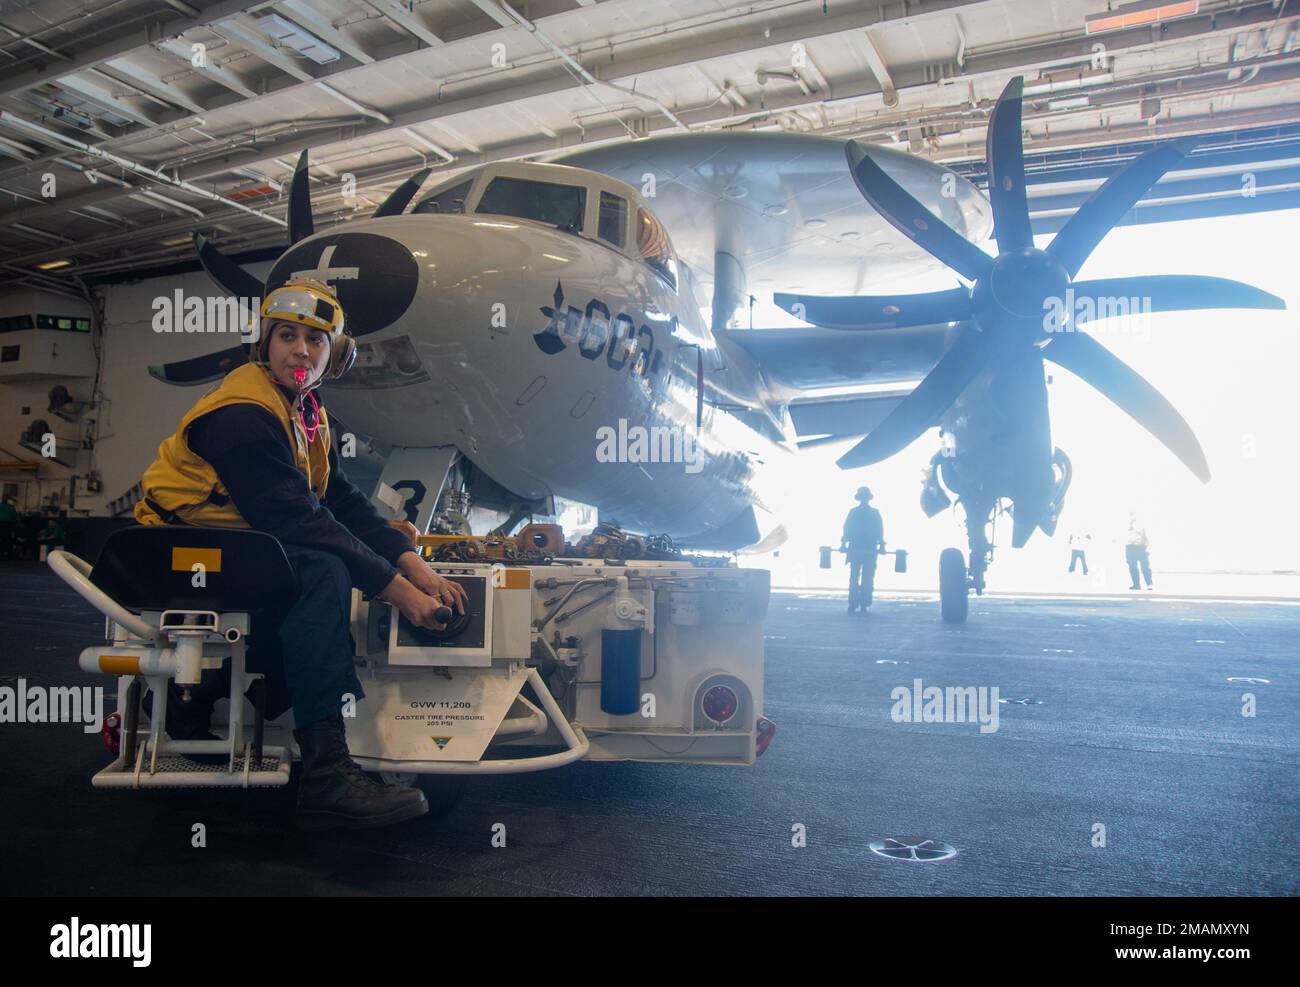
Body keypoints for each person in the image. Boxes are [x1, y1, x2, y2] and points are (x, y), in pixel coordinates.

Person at [135, 277, 468, 830]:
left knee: (319, 569)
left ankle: (192, 705)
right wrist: (401, 594)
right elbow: (299, 521)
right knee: (319, 569)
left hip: (231, 546)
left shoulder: (304, 413)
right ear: (264, 343)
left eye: (316, 342)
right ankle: (327, 777)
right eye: (287, 336)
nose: (301, 351)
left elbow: (341, 501)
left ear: (331, 356)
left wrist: (412, 562)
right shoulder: (243, 413)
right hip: (174, 551)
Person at [840, 486, 885, 613]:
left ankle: (854, 603)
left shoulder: (853, 512)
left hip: (856, 549)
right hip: (869, 550)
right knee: (867, 577)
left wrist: (843, 544)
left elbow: (846, 530)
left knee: (855, 577)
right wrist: (881, 545)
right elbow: (879, 531)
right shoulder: (874, 513)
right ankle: (863, 604)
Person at [1125, 513, 1153, 590]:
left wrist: (1148, 548)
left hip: (1140, 547)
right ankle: (1136, 584)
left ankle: (1149, 584)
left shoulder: (1140, 523)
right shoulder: (1125, 523)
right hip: (1130, 546)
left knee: (1145, 567)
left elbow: (1146, 535)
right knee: (1132, 567)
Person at [0, 495, 16, 559]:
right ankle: (7, 553)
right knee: (7, 539)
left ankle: (2, 552)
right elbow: (14, 516)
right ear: (7, 500)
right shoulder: (10, 507)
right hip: (7, 524)